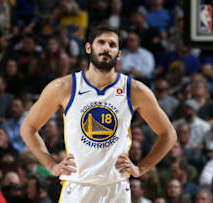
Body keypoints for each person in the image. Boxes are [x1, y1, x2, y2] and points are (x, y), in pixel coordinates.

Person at [20, 25, 177, 203]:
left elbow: (169, 134)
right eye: (101, 42)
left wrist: (141, 169)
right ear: (89, 48)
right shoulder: (64, 87)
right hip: (78, 184)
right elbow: (28, 128)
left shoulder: (134, 90)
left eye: (112, 44)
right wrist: (50, 165)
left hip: (116, 186)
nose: (106, 48)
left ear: (118, 54)